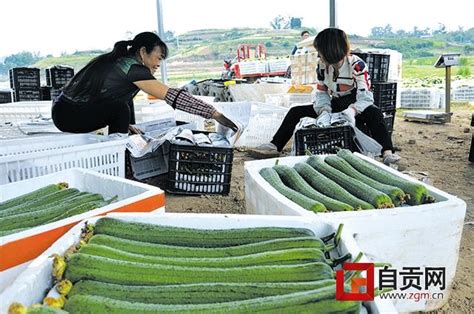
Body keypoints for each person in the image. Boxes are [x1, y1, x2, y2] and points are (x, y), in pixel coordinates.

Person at [249, 28, 400, 165]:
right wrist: (324, 111)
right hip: (335, 103)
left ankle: (387, 152)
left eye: (320, 51)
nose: (319, 55)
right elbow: (322, 92)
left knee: (375, 113)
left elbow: (366, 96)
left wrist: (353, 111)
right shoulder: (322, 67)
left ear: (330, 50)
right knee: (296, 111)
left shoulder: (357, 65)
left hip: (356, 104)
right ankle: (275, 145)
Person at [52, 32, 238, 136]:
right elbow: (173, 96)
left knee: (124, 101)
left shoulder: (121, 62)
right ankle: (122, 156)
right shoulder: (133, 69)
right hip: (69, 115)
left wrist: (127, 125)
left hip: (63, 110)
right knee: (120, 109)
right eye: (158, 57)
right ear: (143, 52)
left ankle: (125, 134)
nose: (158, 64)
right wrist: (214, 114)